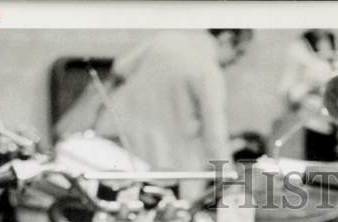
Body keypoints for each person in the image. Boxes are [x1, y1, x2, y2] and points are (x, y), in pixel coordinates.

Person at [92, 29, 252, 177]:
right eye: (238, 53)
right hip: (157, 158)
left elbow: (119, 68)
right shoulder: (209, 71)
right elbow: (215, 136)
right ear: (227, 39)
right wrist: (229, 180)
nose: (234, 62)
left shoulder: (165, 39)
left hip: (115, 140)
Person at [279, 29, 338, 161]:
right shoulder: (298, 48)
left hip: (336, 125)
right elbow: (288, 91)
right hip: (310, 124)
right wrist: (310, 86)